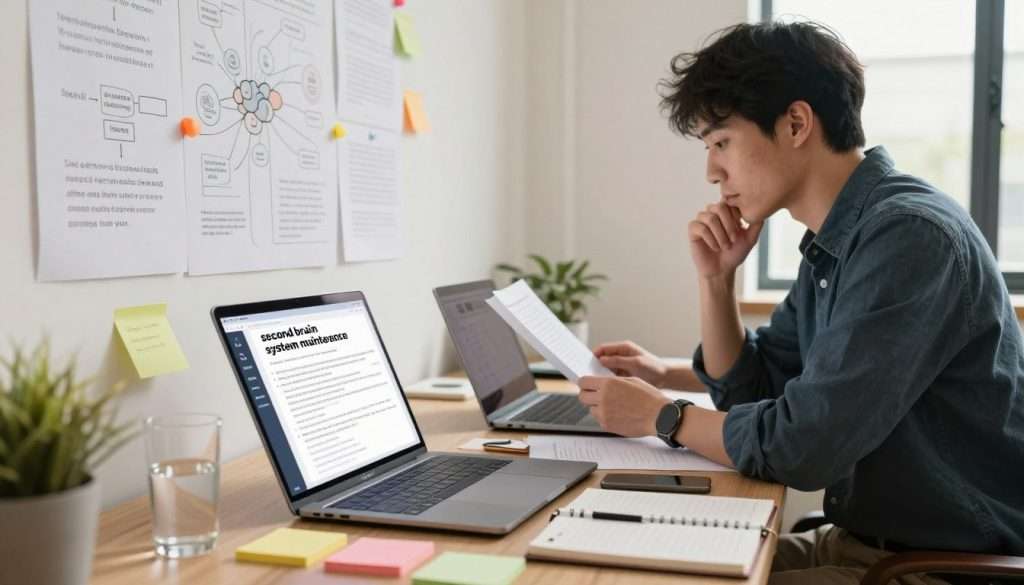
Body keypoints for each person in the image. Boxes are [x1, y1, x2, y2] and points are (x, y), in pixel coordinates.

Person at [576, 20, 1024, 585]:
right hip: (864, 546)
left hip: (944, 569)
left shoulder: (908, 239)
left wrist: (664, 416)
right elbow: (752, 389)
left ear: (795, 123)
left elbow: (801, 447)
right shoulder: (839, 241)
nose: (712, 171)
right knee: (622, 563)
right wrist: (716, 283)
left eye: (721, 142)